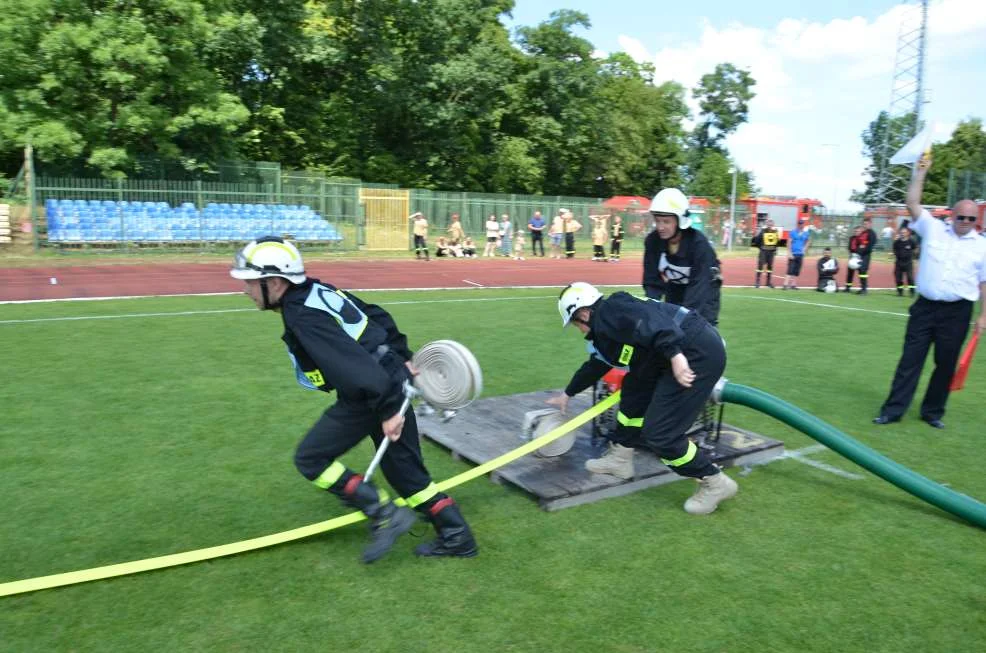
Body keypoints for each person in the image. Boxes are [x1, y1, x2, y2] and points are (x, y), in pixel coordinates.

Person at [229, 237, 478, 561]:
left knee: (310, 459)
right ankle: (458, 537)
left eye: (249, 282)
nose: (245, 290)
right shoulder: (319, 291)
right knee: (405, 473)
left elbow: (354, 368)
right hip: (390, 382)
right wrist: (402, 356)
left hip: (371, 394)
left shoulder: (302, 315)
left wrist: (389, 410)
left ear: (274, 282)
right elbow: (377, 316)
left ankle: (382, 512)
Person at [547, 282, 738, 514]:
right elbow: (596, 364)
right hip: (669, 355)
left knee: (661, 435)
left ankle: (713, 481)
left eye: (576, 323)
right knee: (633, 394)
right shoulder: (607, 328)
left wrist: (676, 356)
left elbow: (653, 323)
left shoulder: (611, 311)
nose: (579, 330)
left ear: (584, 313)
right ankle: (621, 458)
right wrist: (568, 392)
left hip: (694, 354)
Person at [873, 154, 986, 429]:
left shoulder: (982, 246)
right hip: (925, 307)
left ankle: (933, 412)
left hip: (957, 311)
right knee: (910, 359)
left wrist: (983, 316)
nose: (966, 221)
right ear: (952, 214)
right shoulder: (933, 228)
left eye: (971, 218)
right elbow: (912, 203)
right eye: (961, 216)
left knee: (945, 364)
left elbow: (984, 283)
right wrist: (920, 171)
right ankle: (893, 410)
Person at [642, 188, 722, 326]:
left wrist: (685, 321)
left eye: (666, 222)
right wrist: (652, 309)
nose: (660, 227)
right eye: (657, 220)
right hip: (675, 289)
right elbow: (651, 281)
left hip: (704, 293)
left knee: (695, 334)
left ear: (680, 221)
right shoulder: (653, 241)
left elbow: (699, 289)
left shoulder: (699, 245)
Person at [783, 218, 812, 289]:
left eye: (802, 224)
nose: (800, 225)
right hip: (793, 253)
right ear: (797, 224)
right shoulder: (793, 232)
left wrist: (804, 249)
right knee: (790, 269)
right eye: (799, 224)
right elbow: (789, 242)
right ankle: (785, 284)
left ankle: (793, 285)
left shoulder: (806, 233)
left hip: (800, 254)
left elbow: (808, 241)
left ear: (803, 225)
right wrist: (789, 253)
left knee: (797, 270)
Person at [751, 218, 779, 288]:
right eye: (768, 223)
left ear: (773, 224)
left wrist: (775, 250)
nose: (770, 224)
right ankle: (757, 282)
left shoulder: (775, 231)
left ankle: (768, 282)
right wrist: (760, 247)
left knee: (770, 267)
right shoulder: (763, 231)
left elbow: (776, 242)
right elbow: (757, 240)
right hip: (763, 251)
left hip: (771, 252)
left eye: (771, 223)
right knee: (760, 266)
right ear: (766, 224)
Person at [853, 217, 878, 294]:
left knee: (863, 270)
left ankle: (864, 289)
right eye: (864, 224)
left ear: (870, 224)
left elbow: (870, 245)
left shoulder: (872, 233)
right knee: (860, 271)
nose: (864, 225)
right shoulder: (863, 233)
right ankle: (862, 288)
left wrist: (863, 248)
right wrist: (859, 249)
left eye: (866, 224)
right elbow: (859, 243)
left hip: (866, 255)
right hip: (860, 255)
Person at [893, 226, 918, 297]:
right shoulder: (897, 242)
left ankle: (912, 292)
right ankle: (900, 292)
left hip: (908, 263)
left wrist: (914, 255)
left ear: (907, 233)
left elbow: (916, 248)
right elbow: (894, 249)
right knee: (898, 278)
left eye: (904, 232)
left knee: (910, 278)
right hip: (899, 263)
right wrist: (896, 254)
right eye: (901, 233)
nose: (902, 234)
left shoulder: (911, 241)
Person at [843, 226, 863, 292]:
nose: (856, 232)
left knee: (861, 273)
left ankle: (862, 288)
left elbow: (862, 248)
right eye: (855, 231)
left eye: (857, 231)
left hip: (859, 258)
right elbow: (849, 247)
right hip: (852, 258)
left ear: (861, 232)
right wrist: (851, 254)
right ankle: (848, 287)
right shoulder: (851, 238)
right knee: (850, 273)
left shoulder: (862, 239)